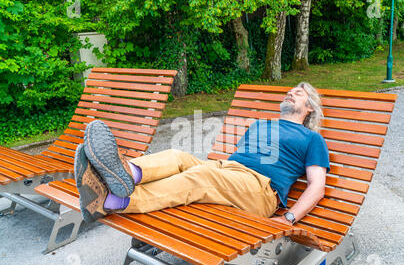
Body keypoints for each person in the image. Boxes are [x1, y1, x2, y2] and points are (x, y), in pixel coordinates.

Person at [75, 82, 330, 226]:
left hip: (261, 190)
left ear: (308, 108)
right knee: (177, 156)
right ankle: (125, 173)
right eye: (289, 91)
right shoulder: (261, 124)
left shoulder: (312, 139)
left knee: (200, 176)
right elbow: (238, 159)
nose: (289, 93)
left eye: (298, 94)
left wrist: (289, 218)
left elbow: (317, 187)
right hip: (228, 170)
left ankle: (113, 201)